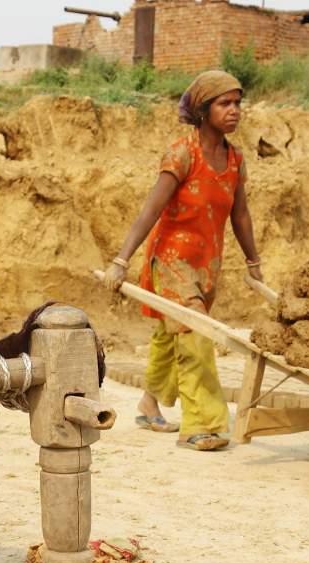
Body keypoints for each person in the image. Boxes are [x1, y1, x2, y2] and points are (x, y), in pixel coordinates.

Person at [104, 70, 263, 452]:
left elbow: (240, 215)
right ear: (204, 110)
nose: (234, 111)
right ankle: (202, 425)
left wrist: (253, 261)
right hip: (172, 261)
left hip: (207, 265)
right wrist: (121, 260)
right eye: (225, 103)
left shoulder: (235, 159)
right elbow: (150, 210)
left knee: (168, 335)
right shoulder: (182, 153)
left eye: (237, 103)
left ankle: (149, 402)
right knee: (194, 333)